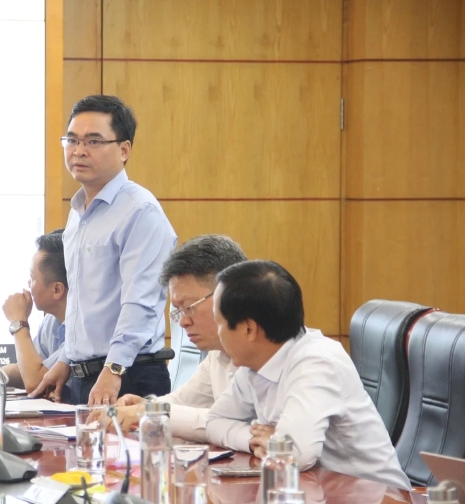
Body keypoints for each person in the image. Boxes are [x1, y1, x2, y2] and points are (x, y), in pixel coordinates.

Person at [206, 260, 411, 490]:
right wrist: (253, 440)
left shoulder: (316, 362)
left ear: (248, 329)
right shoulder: (254, 362)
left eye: (219, 323)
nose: (217, 332)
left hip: (378, 496)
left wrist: (278, 443)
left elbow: (295, 454)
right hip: (316, 490)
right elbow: (214, 422)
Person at [31, 95, 177, 405]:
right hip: (85, 376)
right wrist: (65, 360)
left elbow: (141, 302)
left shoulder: (140, 211)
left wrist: (113, 369)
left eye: (94, 141)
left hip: (129, 375)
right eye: (72, 140)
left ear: (124, 150)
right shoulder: (78, 213)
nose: (79, 150)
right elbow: (83, 305)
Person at [112, 235, 245, 442]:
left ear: (226, 295)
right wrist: (145, 406)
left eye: (189, 307)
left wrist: (149, 412)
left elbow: (232, 423)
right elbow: (183, 401)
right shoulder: (217, 354)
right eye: (178, 311)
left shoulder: (264, 352)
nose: (183, 322)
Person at [0, 230, 67, 395]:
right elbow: (27, 369)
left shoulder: (82, 328)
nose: (28, 284)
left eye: (32, 278)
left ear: (57, 289)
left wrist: (19, 322)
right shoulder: (51, 321)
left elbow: (35, 381)